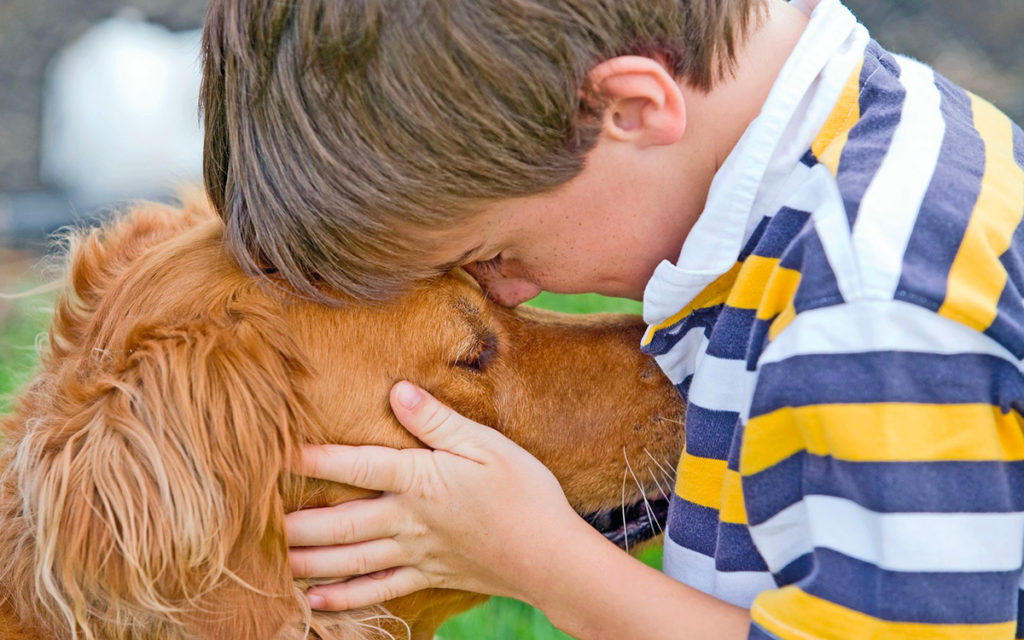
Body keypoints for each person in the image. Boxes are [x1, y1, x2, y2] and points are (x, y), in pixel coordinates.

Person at [200, 0, 1024, 637]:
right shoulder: (872, 150)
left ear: (628, 110)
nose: (514, 290)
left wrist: (547, 565)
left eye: (498, 253)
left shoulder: (866, 309)